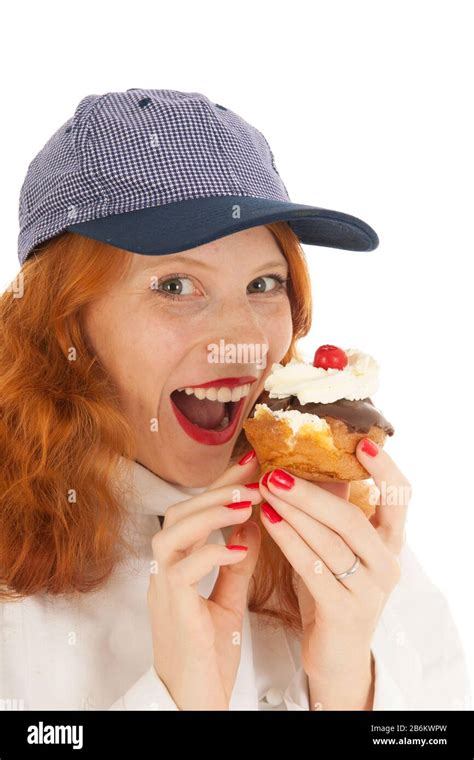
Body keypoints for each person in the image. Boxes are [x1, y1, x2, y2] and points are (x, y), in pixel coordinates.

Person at [0, 89, 470, 711]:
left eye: (263, 283)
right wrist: (179, 700)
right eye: (175, 285)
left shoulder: (350, 530)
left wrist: (350, 682)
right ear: (64, 323)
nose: (247, 341)